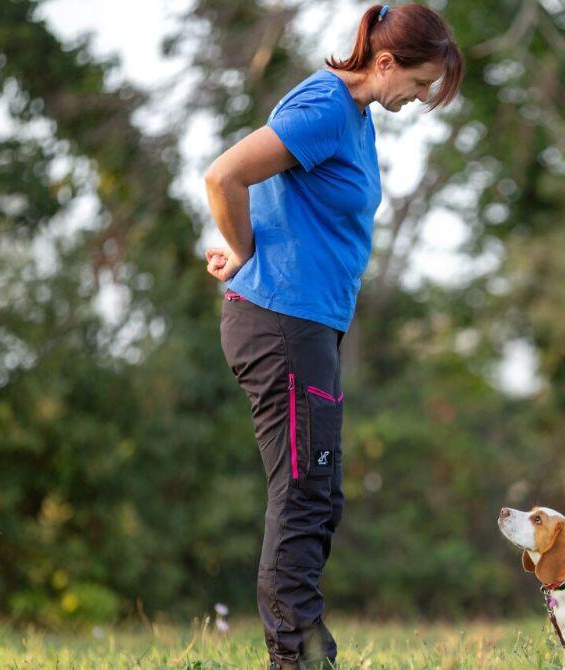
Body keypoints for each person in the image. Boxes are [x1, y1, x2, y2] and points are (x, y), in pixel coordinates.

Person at [202, 4, 463, 668]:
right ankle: (299, 660)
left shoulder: (355, 117)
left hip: (307, 326)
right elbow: (224, 174)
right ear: (386, 63)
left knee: (318, 494)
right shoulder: (324, 105)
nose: (421, 97)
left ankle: (306, 654)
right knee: (302, 496)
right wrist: (243, 248)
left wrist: (249, 244)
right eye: (420, 82)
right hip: (281, 323)